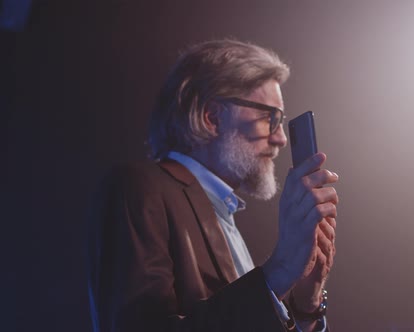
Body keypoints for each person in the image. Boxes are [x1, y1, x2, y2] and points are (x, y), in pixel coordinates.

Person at [88, 39, 340, 332]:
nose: (281, 138)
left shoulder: (222, 212)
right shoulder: (137, 189)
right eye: (270, 118)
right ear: (212, 118)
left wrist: (306, 304)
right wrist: (281, 269)